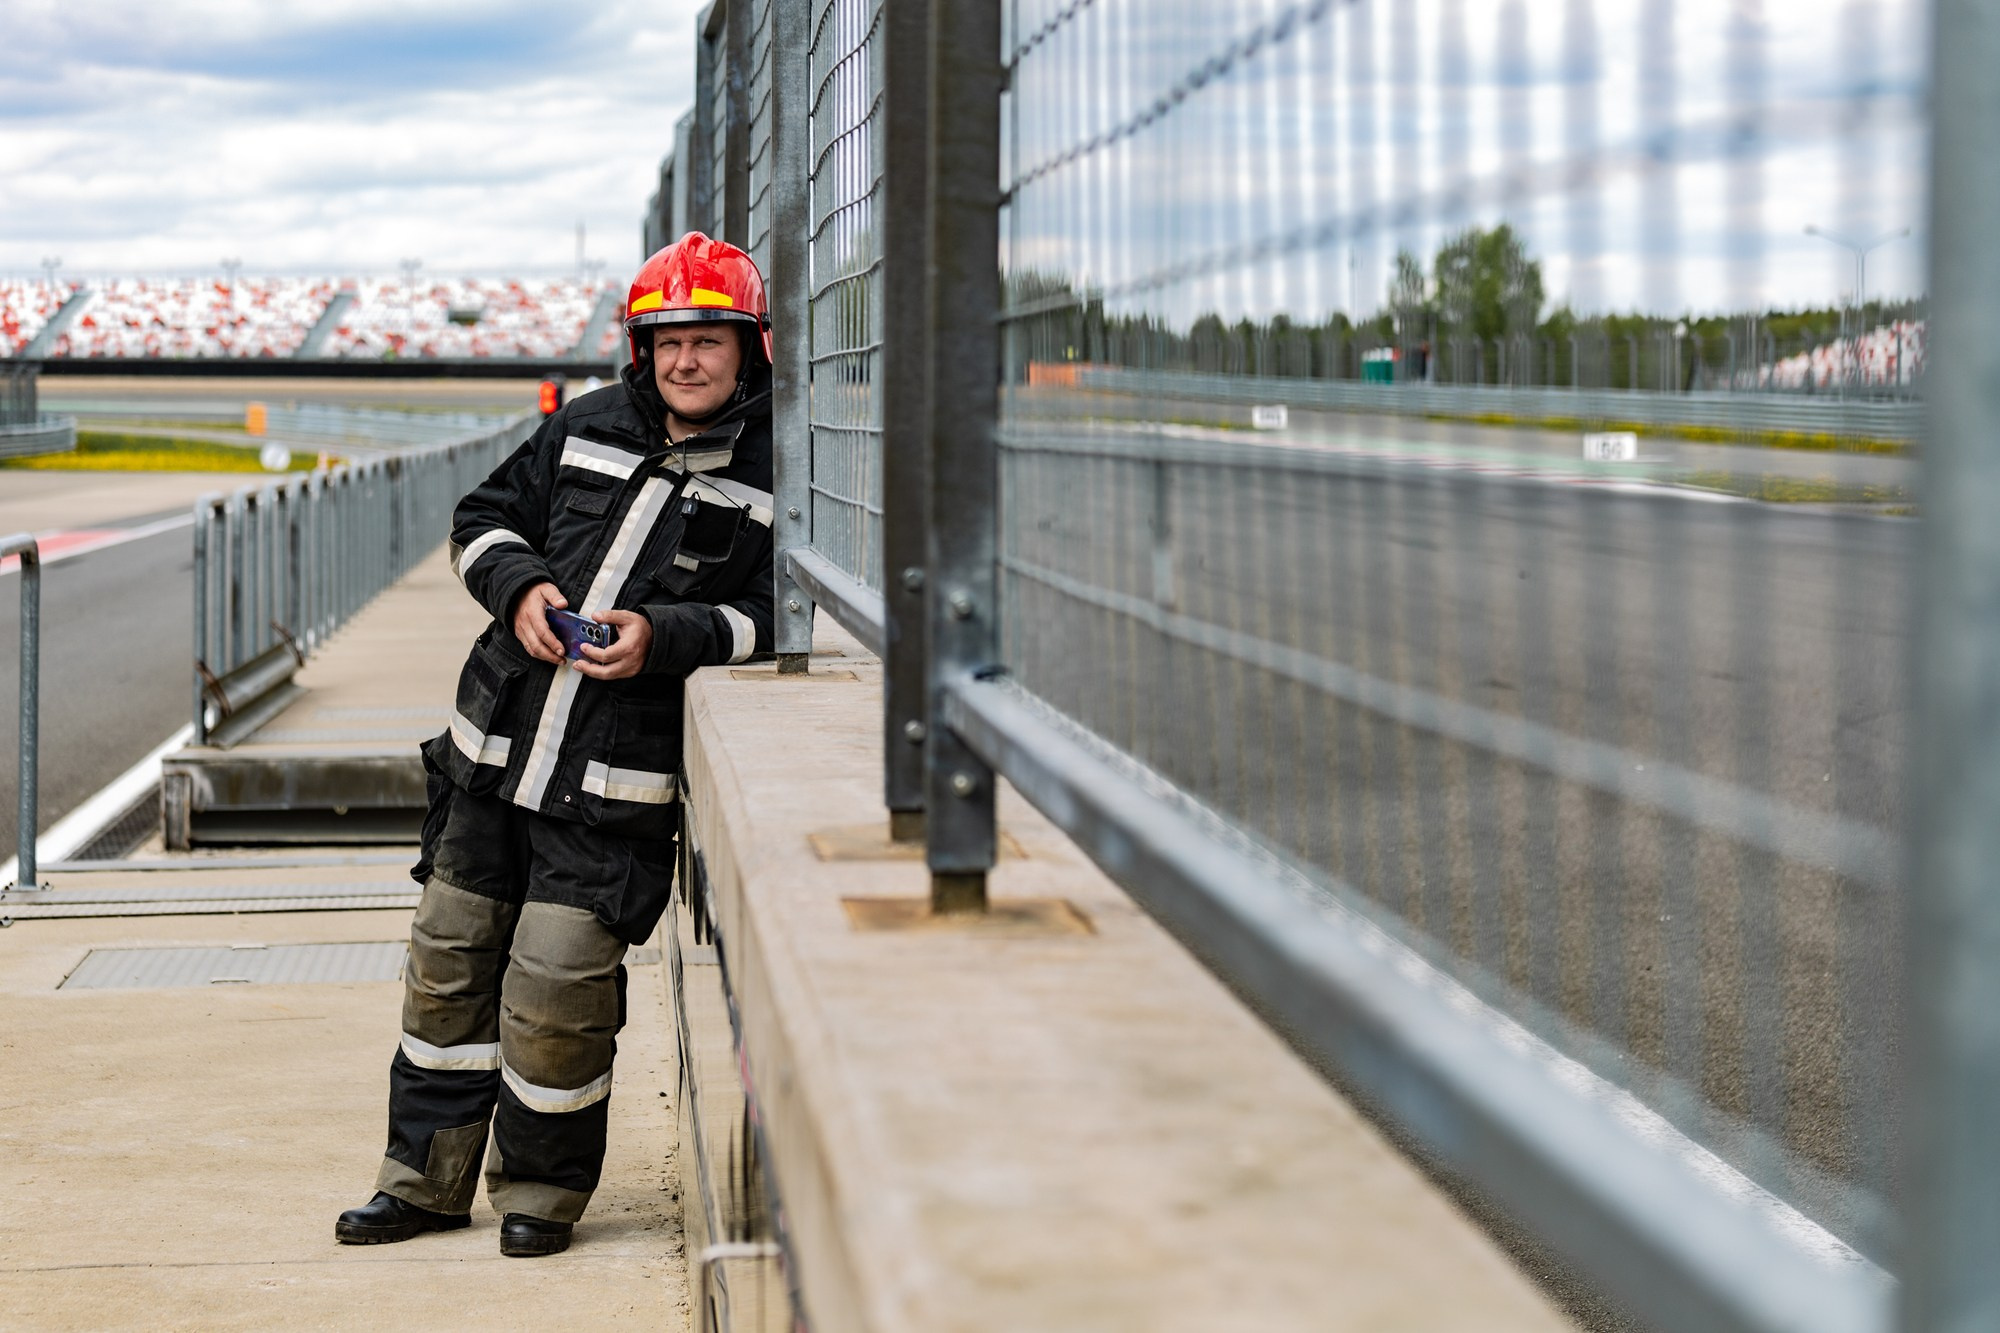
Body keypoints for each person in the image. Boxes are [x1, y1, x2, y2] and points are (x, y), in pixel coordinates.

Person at [335, 232, 775, 1257]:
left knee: (557, 991)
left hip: (614, 788)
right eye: (664, 343)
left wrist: (668, 637)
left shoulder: (773, 478)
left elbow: (772, 617)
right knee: (446, 969)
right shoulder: (581, 427)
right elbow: (481, 519)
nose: (684, 362)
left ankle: (539, 1192)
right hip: (490, 760)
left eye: (706, 340)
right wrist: (522, 587)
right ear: (639, 351)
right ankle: (421, 1185)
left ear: (749, 348)